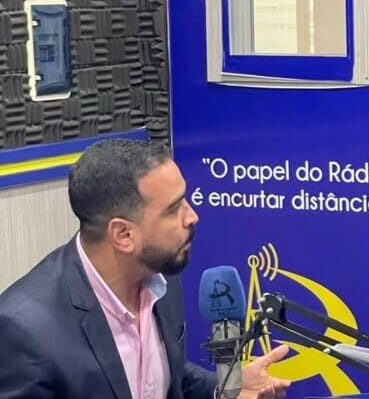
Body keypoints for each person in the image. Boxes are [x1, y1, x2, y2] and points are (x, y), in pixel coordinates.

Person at [0, 139, 291, 399]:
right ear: (123, 235)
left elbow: (168, 377)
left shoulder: (160, 278)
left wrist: (223, 388)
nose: (192, 216)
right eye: (173, 209)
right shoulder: (25, 331)